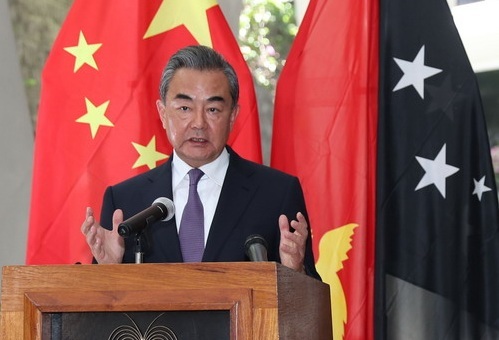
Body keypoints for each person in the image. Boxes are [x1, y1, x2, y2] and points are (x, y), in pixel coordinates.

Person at [81, 45, 320, 280]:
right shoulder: (125, 201)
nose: (199, 123)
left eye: (213, 109)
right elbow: (99, 310)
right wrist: (108, 270)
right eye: (185, 108)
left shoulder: (276, 193)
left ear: (233, 116)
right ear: (163, 114)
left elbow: (311, 305)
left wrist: (295, 272)